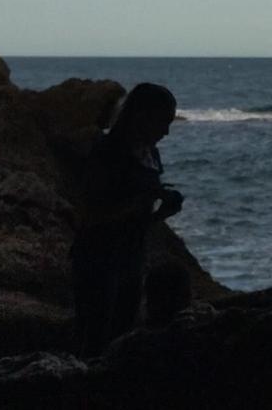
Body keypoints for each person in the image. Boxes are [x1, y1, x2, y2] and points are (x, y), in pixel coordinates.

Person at [71, 81, 184, 355]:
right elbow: (90, 214)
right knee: (97, 336)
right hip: (98, 257)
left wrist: (160, 212)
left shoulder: (151, 154)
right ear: (142, 116)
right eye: (163, 122)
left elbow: (138, 217)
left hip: (131, 253)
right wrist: (140, 202)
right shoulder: (108, 151)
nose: (166, 132)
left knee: (123, 331)